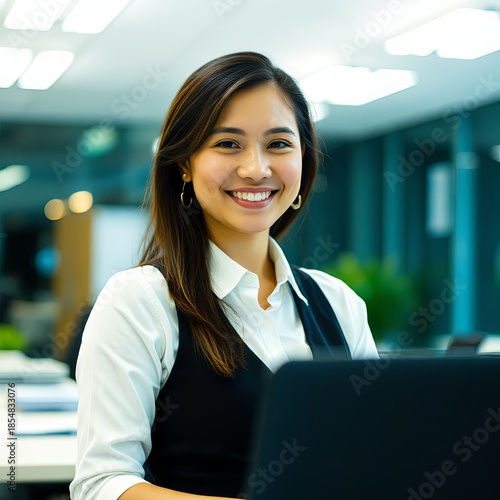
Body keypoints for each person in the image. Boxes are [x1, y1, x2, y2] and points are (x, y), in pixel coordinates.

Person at [69, 51, 378, 500]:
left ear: (304, 162)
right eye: (228, 143)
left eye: (279, 144)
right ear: (185, 164)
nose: (256, 168)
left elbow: (372, 452)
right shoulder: (140, 301)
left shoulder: (338, 302)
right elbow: (102, 485)